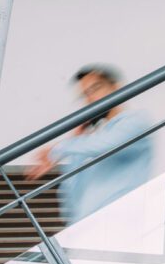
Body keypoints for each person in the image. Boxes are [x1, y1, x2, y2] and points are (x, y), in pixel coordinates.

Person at [26, 64, 153, 224]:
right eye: (85, 95)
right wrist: (76, 137)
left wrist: (59, 149)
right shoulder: (89, 141)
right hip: (85, 230)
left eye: (95, 89)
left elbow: (107, 144)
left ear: (116, 87)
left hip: (120, 225)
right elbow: (72, 193)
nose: (90, 98)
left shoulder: (136, 122)